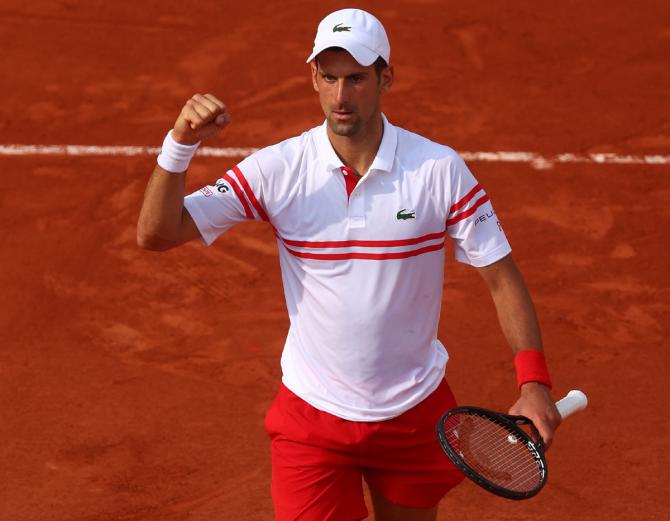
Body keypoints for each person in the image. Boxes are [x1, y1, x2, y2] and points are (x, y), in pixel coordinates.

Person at [137, 8, 562, 521]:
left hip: (414, 411)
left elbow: (501, 278)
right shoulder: (279, 170)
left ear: (385, 78)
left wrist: (534, 384)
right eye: (330, 77)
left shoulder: (437, 171)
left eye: (357, 78)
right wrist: (179, 144)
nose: (341, 96)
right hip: (312, 418)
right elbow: (157, 234)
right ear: (313, 77)